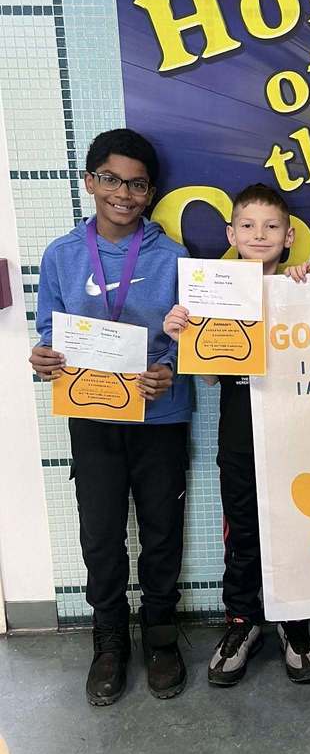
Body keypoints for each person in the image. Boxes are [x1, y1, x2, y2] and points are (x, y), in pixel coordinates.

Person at [31, 128, 192, 705]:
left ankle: (160, 635)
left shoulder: (173, 256)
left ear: (150, 193)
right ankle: (108, 641)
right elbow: (51, 331)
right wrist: (43, 356)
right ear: (89, 181)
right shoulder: (62, 255)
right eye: (111, 179)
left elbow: (191, 335)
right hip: (92, 416)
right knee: (100, 535)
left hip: (161, 418)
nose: (123, 193)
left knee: (161, 533)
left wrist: (170, 367)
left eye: (137, 184)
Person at [164, 184, 310, 686]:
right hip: (239, 438)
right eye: (248, 226)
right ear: (231, 233)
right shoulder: (214, 291)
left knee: (298, 526)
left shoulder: (302, 284)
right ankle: (242, 620)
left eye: (271, 226)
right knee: (244, 533)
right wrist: (186, 336)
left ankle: (296, 619)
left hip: (298, 436)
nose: (259, 234)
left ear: (289, 236)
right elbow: (210, 377)